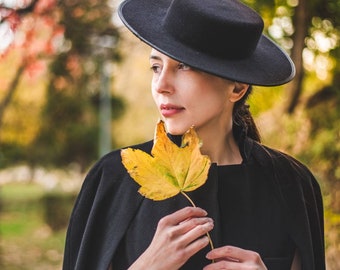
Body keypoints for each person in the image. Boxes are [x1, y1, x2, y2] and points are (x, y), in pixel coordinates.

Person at [63, 0, 325, 269]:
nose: (161, 85)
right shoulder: (113, 179)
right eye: (156, 67)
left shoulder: (292, 185)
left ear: (237, 88)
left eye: (184, 67)